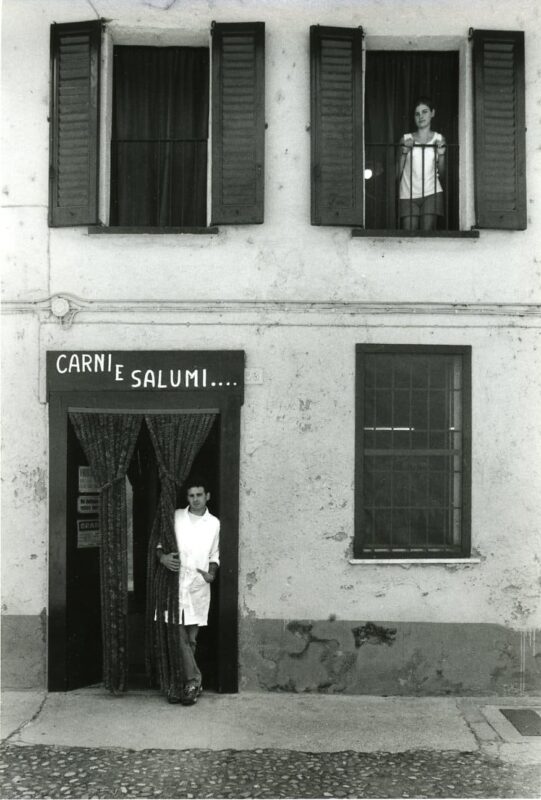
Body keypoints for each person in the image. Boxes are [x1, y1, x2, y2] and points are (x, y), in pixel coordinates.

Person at [157, 480, 220, 706]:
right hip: (175, 583)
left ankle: (183, 684)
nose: (195, 499)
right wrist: (163, 558)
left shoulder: (214, 523)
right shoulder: (176, 516)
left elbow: (215, 555)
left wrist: (211, 573)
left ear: (207, 496)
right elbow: (159, 543)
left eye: (199, 495)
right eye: (191, 495)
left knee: (191, 639)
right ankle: (193, 680)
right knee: (178, 635)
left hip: (197, 585)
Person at [397, 97, 446, 231]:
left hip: (432, 193)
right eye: (417, 113)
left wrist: (441, 154)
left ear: (433, 113)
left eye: (425, 112)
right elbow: (397, 173)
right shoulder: (406, 139)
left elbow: (442, 174)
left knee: (427, 237)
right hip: (408, 194)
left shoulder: (439, 139)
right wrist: (404, 152)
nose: (421, 116)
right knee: (408, 238)